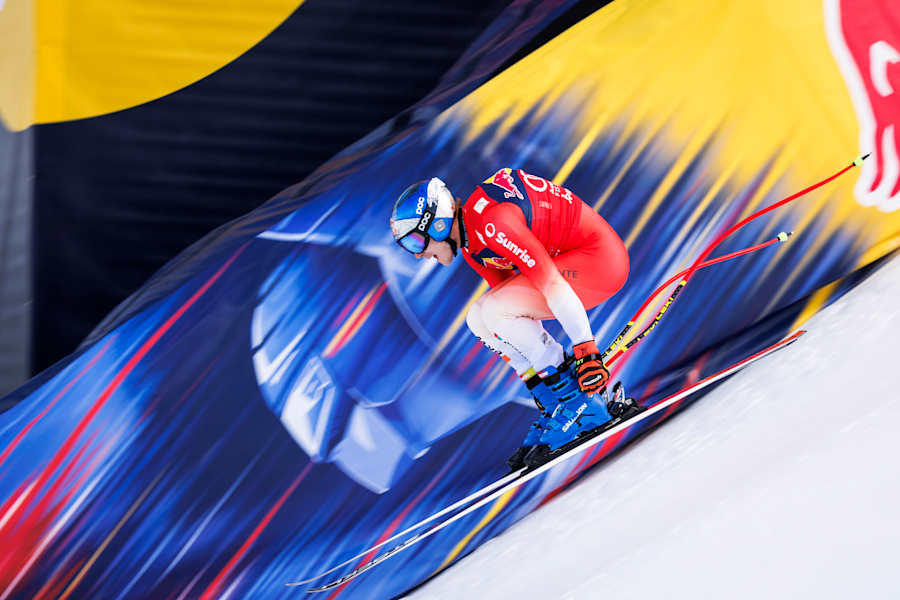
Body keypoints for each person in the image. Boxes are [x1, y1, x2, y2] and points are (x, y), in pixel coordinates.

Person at [390, 169, 636, 468]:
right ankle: (558, 400)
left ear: (438, 224)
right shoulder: (474, 243)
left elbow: (550, 282)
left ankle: (581, 402)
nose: (417, 254)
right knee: (479, 318)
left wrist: (586, 351)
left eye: (415, 242)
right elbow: (517, 318)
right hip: (581, 262)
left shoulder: (492, 224)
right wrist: (546, 377)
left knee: (495, 309)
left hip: (601, 261)